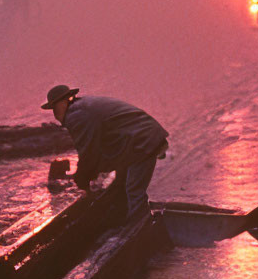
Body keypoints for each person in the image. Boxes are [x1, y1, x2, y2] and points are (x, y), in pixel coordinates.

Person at [41, 85, 169, 220]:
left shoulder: (76, 115)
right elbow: (97, 147)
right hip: (139, 138)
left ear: (63, 103)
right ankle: (126, 217)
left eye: (55, 108)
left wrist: (82, 179)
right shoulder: (82, 106)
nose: (55, 114)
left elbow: (87, 151)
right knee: (121, 184)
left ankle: (141, 226)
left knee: (133, 190)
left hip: (142, 141)